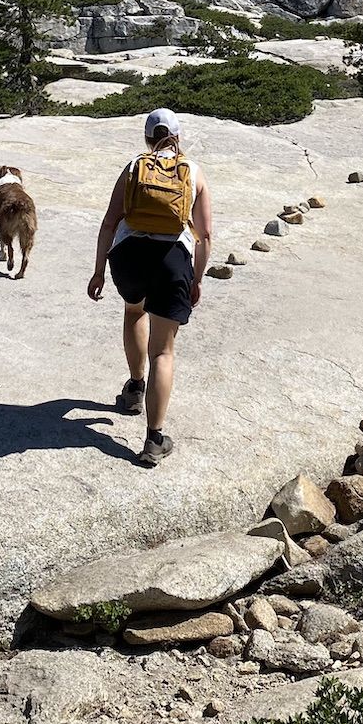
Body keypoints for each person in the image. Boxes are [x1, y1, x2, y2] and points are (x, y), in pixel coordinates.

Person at [86, 107, 214, 466]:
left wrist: (98, 271)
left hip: (129, 255)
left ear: (147, 139)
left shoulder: (132, 167)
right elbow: (204, 235)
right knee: (164, 352)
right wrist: (198, 277)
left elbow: (110, 223)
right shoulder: (194, 171)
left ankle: (134, 388)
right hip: (172, 257)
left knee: (133, 310)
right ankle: (154, 439)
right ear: (178, 136)